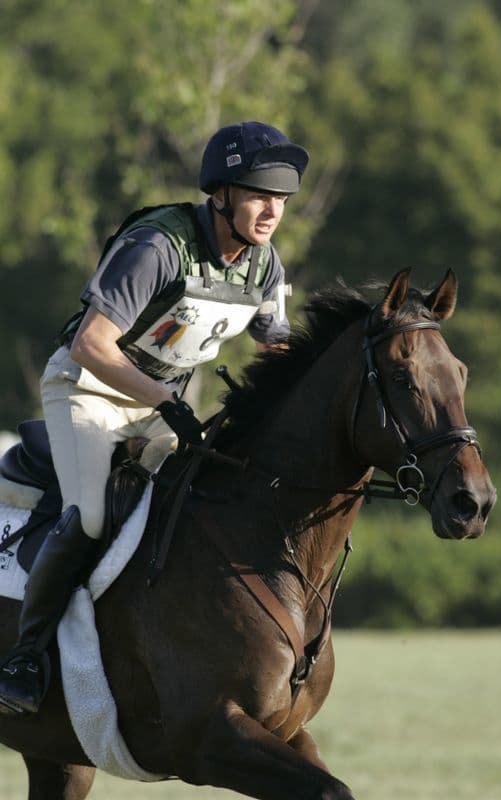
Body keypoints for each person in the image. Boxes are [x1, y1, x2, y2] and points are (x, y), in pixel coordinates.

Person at [0, 121, 309, 715]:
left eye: (282, 199)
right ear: (222, 194)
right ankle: (25, 657)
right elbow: (92, 344)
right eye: (258, 195)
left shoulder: (263, 264)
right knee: (91, 517)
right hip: (87, 388)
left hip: (162, 403)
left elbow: (278, 347)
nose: (273, 211)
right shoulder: (158, 246)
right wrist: (167, 401)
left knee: (196, 506)